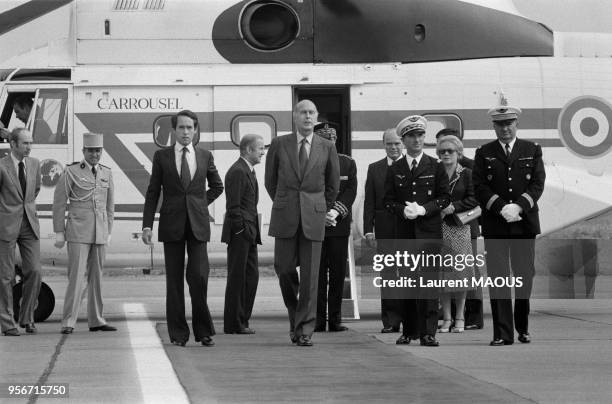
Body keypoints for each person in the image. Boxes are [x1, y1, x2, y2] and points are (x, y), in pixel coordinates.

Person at [142, 110, 223, 347]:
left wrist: (197, 205)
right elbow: (153, 191)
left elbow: (217, 186)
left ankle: (203, 330)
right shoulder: (162, 157)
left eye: (190, 128)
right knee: (174, 281)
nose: (186, 132)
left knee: (199, 276)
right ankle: (178, 334)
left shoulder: (205, 155)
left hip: (197, 225)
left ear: (196, 130)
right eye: (181, 128)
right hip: (171, 224)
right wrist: (147, 224)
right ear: (174, 130)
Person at [264, 100, 340, 347]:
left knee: (310, 278)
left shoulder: (327, 146)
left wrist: (319, 207)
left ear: (316, 117)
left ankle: (304, 329)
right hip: (285, 216)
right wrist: (285, 202)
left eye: (311, 113)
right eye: (303, 113)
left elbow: (333, 185)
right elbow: (270, 181)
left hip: (313, 218)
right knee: (284, 270)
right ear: (294, 116)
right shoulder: (279, 144)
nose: (307, 117)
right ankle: (295, 315)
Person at [472, 95, 545, 346]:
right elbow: (479, 186)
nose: (505, 128)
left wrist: (519, 206)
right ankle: (503, 333)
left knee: (524, 275)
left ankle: (522, 326)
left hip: (524, 223)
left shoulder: (532, 150)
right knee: (499, 277)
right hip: (496, 224)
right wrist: (501, 207)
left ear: (516, 124)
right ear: (494, 126)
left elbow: (537, 184)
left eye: (509, 123)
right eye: (500, 124)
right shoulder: (484, 153)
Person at [383, 115, 450, 347]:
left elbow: (444, 198)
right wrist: (403, 211)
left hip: (429, 232)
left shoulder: (436, 166)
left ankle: (428, 332)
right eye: (412, 136)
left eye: (420, 135)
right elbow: (388, 201)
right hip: (405, 233)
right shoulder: (396, 169)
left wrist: (424, 209)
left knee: (429, 285)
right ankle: (409, 331)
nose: (417, 140)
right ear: (403, 139)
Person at [53, 132, 115, 334]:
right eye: (91, 151)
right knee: (76, 277)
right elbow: (60, 203)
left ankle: (96, 319)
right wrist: (59, 232)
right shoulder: (71, 171)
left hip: (100, 231)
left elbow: (110, 206)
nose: (95, 154)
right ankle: (68, 321)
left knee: (97, 278)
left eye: (98, 151)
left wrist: (109, 231)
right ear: (83, 151)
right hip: (78, 231)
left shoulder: (106, 172)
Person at [436, 128, 484, 330]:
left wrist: (453, 207)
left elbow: (474, 198)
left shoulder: (467, 174)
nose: (446, 154)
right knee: (442, 275)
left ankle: (460, 317)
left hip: (459, 229)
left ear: (459, 153)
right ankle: (446, 318)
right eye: (442, 151)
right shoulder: (434, 172)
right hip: (438, 229)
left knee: (461, 274)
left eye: (450, 151)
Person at [314, 122, 357, 333]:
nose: (330, 143)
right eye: (325, 140)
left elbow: (350, 192)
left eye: (332, 139)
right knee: (318, 274)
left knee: (338, 274)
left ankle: (336, 320)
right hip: (316, 225)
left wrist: (335, 212)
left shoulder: (347, 163)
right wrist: (321, 214)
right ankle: (318, 320)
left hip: (338, 226)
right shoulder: (310, 162)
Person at [221, 134, 265, 335]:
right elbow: (233, 205)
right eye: (260, 148)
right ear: (248, 150)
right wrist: (241, 229)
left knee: (250, 276)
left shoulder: (248, 170)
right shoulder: (238, 171)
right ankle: (234, 324)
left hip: (249, 233)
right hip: (241, 233)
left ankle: (242, 320)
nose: (263, 152)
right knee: (238, 278)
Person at [0, 128, 42, 336]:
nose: (29, 147)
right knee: (5, 276)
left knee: (34, 270)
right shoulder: (1, 166)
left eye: (30, 143)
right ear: (13, 144)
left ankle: (27, 318)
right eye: (25, 143)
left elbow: (34, 191)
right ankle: (8, 324)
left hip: (29, 224)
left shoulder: (34, 165)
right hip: (6, 225)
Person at [363, 128, 404, 333]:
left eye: (397, 143)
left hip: (409, 229)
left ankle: (412, 319)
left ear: (403, 143)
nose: (394, 147)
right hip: (385, 230)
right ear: (383, 145)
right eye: (389, 144)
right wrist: (368, 230)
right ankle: (391, 321)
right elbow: (369, 202)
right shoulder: (374, 168)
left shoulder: (413, 165)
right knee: (388, 276)